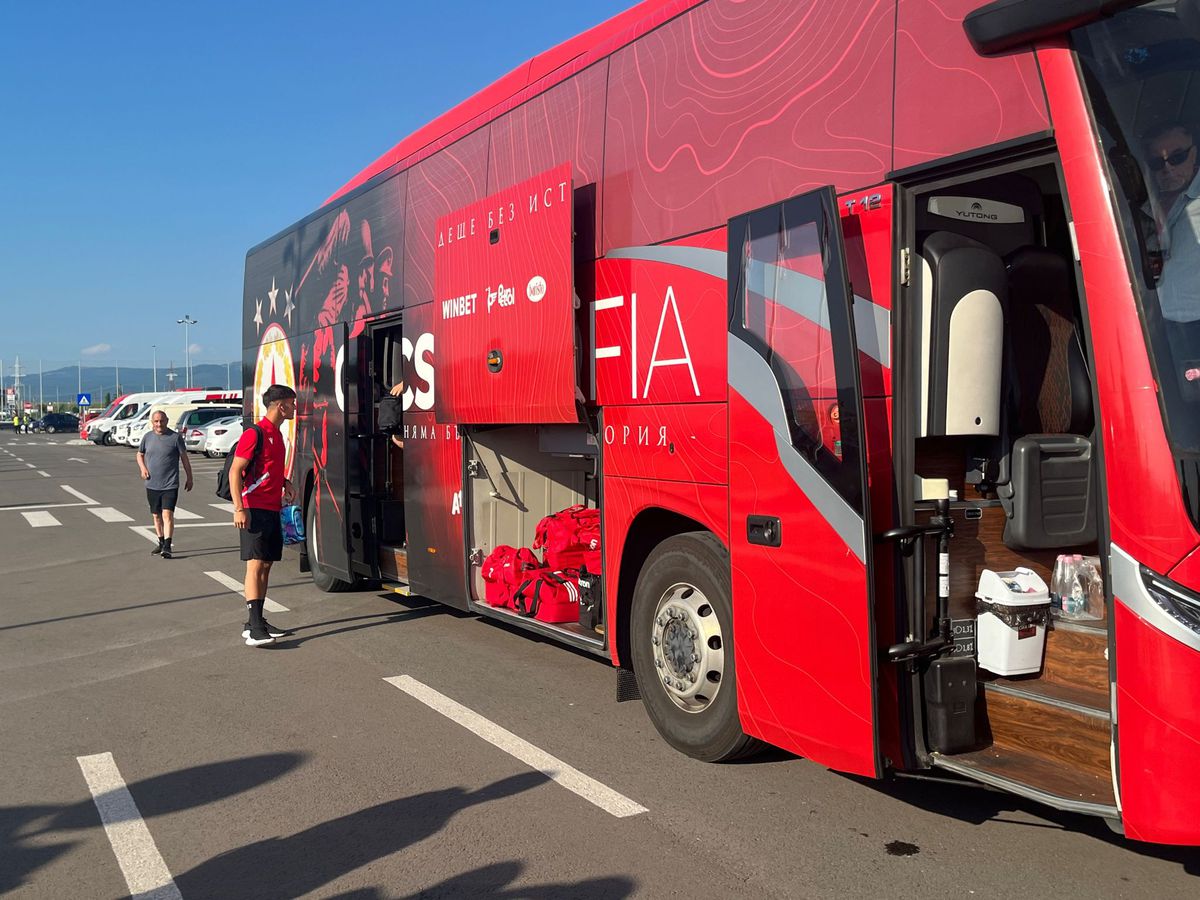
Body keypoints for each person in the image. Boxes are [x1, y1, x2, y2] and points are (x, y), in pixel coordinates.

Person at [229, 384, 297, 647]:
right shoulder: (254, 433)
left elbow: (269, 469)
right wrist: (239, 508)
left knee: (266, 564)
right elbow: (236, 471)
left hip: (272, 507)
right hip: (252, 508)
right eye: (292, 403)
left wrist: (286, 482)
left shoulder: (277, 435)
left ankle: (256, 620)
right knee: (255, 564)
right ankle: (255, 626)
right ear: (281, 406)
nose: (294, 408)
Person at [1143, 122, 1200, 379]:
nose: (1167, 168)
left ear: (1194, 153)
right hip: (1156, 327)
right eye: (1158, 163)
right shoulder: (1144, 206)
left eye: (1177, 157)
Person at [137, 410, 193, 559]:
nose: (159, 424)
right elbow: (139, 454)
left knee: (167, 514)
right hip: (152, 484)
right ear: (152, 422)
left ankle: (167, 545)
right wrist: (143, 468)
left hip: (170, 483)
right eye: (156, 421)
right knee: (156, 515)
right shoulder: (147, 437)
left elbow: (184, 459)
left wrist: (190, 477)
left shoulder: (175, 438)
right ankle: (161, 541)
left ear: (167, 421)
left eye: (161, 421)